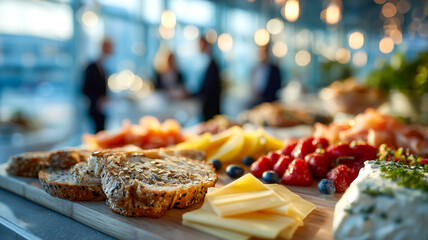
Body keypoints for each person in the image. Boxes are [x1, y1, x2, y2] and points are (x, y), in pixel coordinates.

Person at [82, 38, 113, 133]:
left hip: (103, 109)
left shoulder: (104, 67)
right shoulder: (92, 67)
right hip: (95, 109)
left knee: (102, 131)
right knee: (97, 134)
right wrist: (97, 100)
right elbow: (84, 89)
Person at [195, 37, 222, 121]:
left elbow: (209, 87)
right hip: (208, 103)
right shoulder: (207, 61)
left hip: (211, 105)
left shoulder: (212, 63)